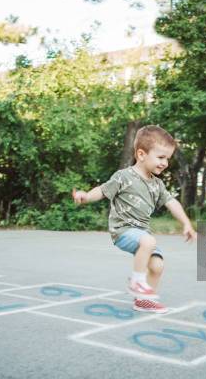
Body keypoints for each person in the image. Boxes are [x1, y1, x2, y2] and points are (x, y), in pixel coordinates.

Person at [72, 125, 197, 313]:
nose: (165, 163)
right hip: (122, 231)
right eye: (161, 157)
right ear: (141, 154)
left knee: (157, 265)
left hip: (141, 234)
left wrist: (186, 223)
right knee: (148, 241)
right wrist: (86, 196)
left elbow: (172, 203)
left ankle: (144, 301)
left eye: (168, 159)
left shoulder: (158, 185)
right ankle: (137, 282)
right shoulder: (124, 177)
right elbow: (103, 190)